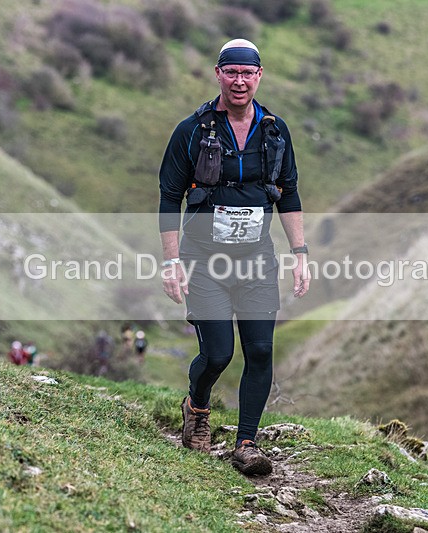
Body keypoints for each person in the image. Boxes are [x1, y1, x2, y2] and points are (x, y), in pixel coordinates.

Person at [158, 39, 310, 476]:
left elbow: (289, 193)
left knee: (260, 350)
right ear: (218, 74)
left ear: (259, 76)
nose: (239, 81)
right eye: (231, 72)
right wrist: (172, 262)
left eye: (247, 73)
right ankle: (197, 407)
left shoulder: (275, 131)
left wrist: (300, 253)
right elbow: (169, 197)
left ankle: (246, 443)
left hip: (256, 259)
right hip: (203, 259)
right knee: (219, 354)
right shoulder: (191, 131)